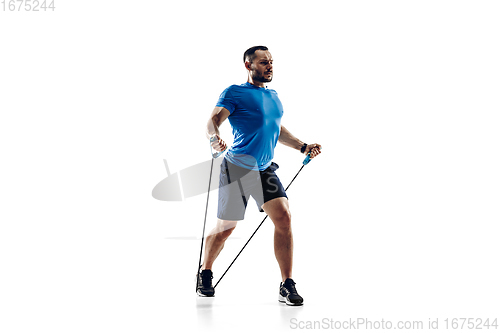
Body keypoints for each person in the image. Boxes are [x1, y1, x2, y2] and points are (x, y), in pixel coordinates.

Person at [197, 46, 322, 306]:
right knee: (225, 229)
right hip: (238, 168)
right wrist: (214, 137)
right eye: (263, 62)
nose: (269, 66)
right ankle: (205, 271)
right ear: (248, 65)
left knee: (284, 217)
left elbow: (276, 128)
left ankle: (286, 283)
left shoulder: (274, 96)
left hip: (264, 168)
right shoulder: (234, 92)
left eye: (271, 62)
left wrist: (302, 146)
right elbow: (213, 120)